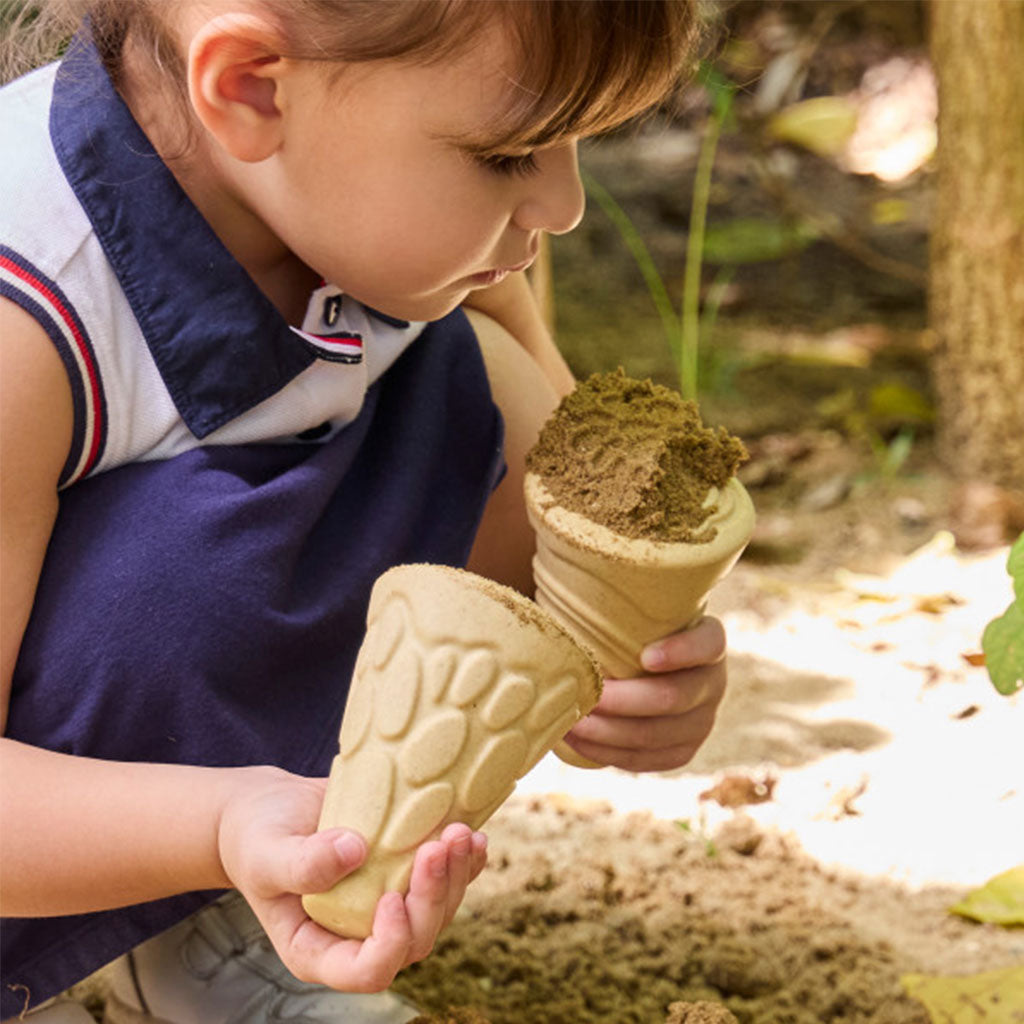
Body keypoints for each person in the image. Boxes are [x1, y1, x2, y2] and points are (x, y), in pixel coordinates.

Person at [0, 1, 726, 1021]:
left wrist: (612, 661)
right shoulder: (27, 307)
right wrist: (219, 820)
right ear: (252, 86)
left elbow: (551, 466)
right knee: (194, 562)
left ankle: (213, 920)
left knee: (483, 394)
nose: (562, 204)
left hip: (182, 778)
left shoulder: (366, 210)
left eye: (574, 140)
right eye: (513, 151)